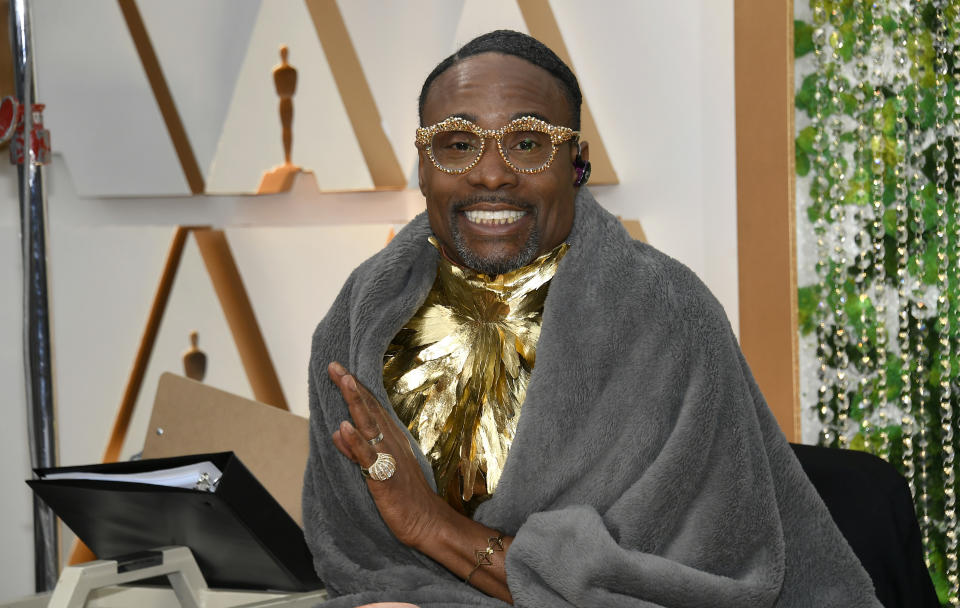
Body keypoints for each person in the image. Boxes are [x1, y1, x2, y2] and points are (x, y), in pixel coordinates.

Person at [302, 30, 881, 607]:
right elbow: (353, 561)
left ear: (576, 163)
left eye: (528, 143)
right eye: (457, 144)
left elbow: (689, 585)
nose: (491, 173)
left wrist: (436, 528)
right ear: (424, 167)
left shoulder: (669, 322)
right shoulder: (356, 323)